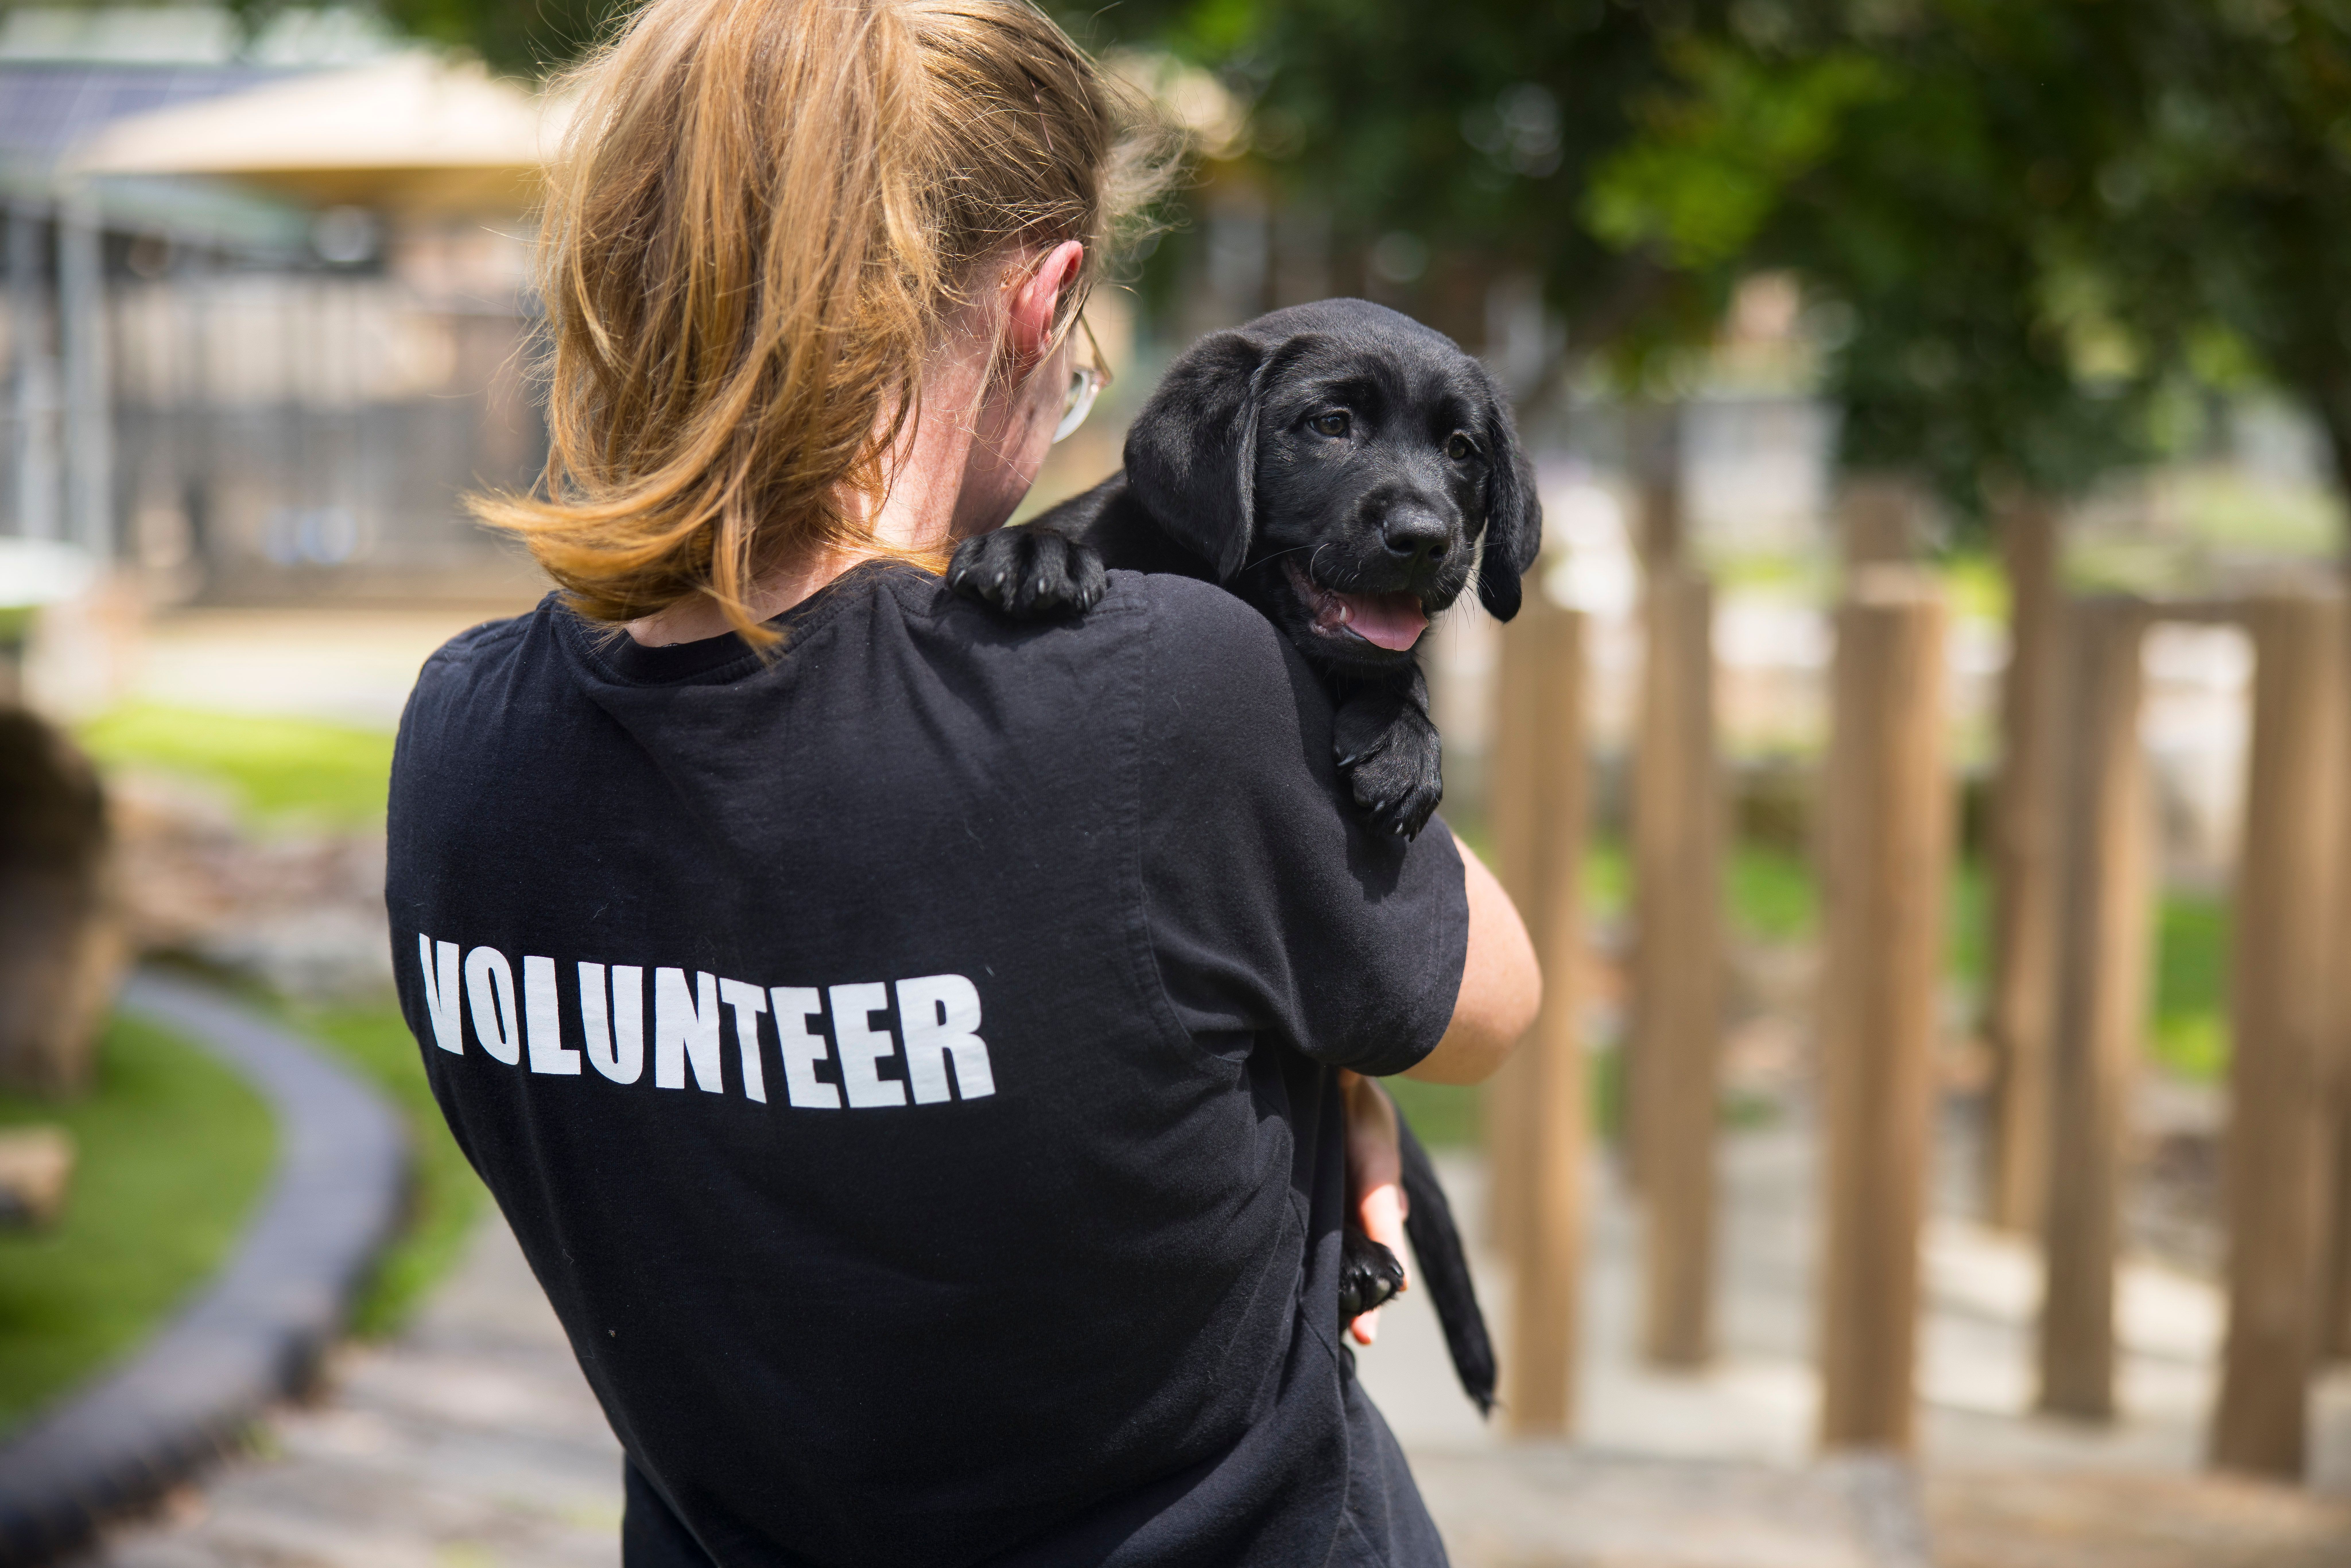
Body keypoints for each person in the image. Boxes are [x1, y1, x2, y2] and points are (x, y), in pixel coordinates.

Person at [385, 1, 1541, 1563]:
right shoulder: (1169, 694)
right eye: (1074, 352)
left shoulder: (462, 743)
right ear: (1040, 298)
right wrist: (1315, 1044)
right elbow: (1486, 1001)